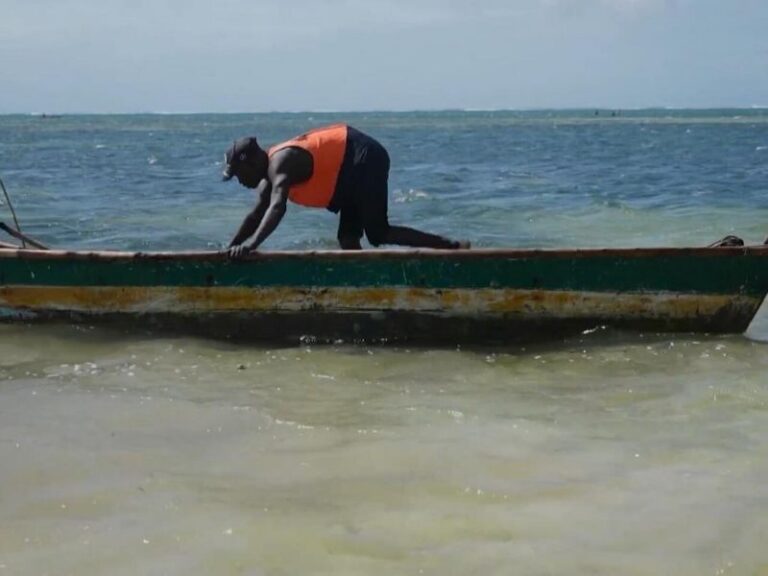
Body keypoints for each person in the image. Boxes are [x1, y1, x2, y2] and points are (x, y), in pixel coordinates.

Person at [221, 124, 469, 255]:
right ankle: (366, 287)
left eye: (239, 174)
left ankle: (451, 248)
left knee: (378, 233)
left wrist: (251, 245)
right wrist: (228, 249)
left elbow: (277, 207)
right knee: (348, 239)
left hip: (364, 157)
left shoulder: (281, 163)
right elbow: (255, 216)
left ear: (253, 163)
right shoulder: (267, 179)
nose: (239, 181)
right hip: (346, 174)